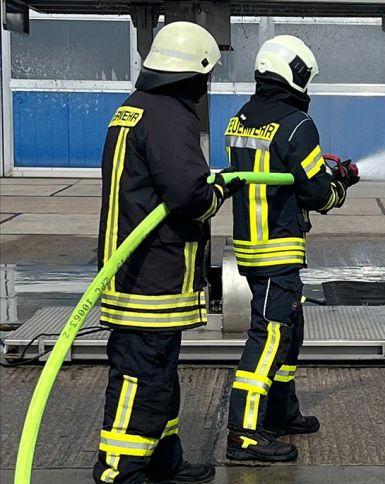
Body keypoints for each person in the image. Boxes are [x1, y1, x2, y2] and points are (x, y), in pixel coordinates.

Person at [94, 21, 243, 483]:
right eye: (208, 74)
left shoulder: (135, 108)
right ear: (195, 73)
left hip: (134, 269)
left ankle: (162, 458)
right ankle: (118, 470)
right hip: (152, 276)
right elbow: (188, 196)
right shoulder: (169, 116)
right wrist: (220, 188)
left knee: (158, 372)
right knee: (142, 374)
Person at [223, 35, 359, 462]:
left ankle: (282, 413)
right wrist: (341, 186)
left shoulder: (241, 118)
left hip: (250, 245)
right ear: (294, 74)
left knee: (289, 332)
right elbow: (317, 192)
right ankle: (243, 435)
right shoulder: (298, 125)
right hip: (278, 248)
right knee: (270, 338)